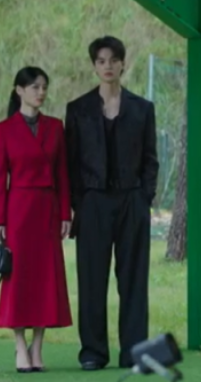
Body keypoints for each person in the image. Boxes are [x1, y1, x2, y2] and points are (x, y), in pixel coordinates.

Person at [65, 35, 160, 370]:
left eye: (113, 60)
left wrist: (144, 197)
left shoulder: (142, 108)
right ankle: (93, 352)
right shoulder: (77, 109)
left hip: (132, 200)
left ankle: (134, 352)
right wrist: (80, 203)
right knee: (91, 280)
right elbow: (71, 162)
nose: (108, 66)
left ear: (123, 64)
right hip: (92, 203)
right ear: (95, 66)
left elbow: (151, 159)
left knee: (133, 280)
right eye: (101, 61)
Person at [0, 66, 73, 373]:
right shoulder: (4, 129)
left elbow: (63, 174)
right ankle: (19, 344)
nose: (41, 92)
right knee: (19, 279)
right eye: (35, 87)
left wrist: (65, 213)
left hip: (48, 211)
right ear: (19, 90)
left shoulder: (55, 127)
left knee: (45, 278)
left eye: (44, 87)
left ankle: (37, 347)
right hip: (18, 212)